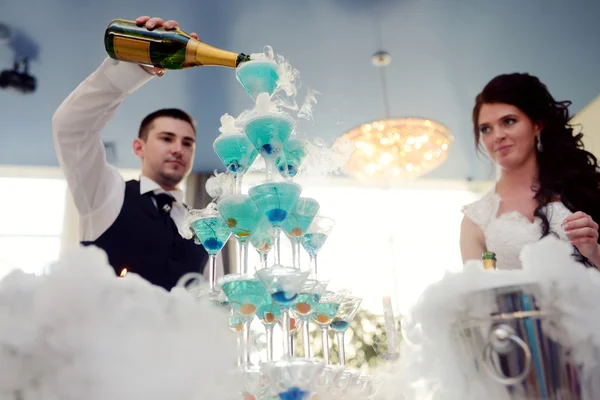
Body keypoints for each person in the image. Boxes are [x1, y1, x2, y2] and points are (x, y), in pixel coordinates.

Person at [52, 16, 214, 290]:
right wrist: (135, 65)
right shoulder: (105, 194)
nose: (178, 148)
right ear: (139, 147)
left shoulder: (203, 229)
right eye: (166, 138)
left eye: (188, 143)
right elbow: (70, 126)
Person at [460, 72, 600, 270]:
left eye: (508, 121)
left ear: (537, 125)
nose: (497, 136)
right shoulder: (476, 219)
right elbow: (479, 298)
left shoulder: (587, 188)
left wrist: (595, 253)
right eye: (485, 129)